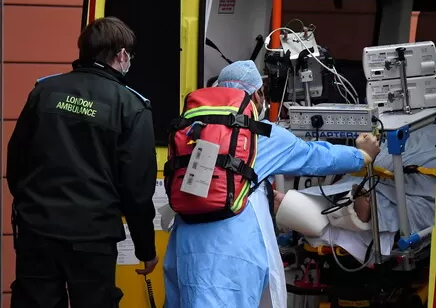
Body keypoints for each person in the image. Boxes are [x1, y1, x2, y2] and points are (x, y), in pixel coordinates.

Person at [162, 60, 381, 308]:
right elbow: (315, 156)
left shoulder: (190, 130)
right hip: (231, 255)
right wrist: (361, 155)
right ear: (257, 95)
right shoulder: (259, 133)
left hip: (183, 248)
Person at [6, 16, 159, 308]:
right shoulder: (131, 106)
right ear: (122, 55)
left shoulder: (44, 91)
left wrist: (31, 205)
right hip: (93, 237)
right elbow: (137, 189)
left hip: (37, 230)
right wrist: (145, 248)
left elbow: (16, 160)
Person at [274, 123, 436, 263]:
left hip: (425, 148)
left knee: (416, 191)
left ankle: (353, 209)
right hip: (391, 153)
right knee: (362, 180)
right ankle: (353, 207)